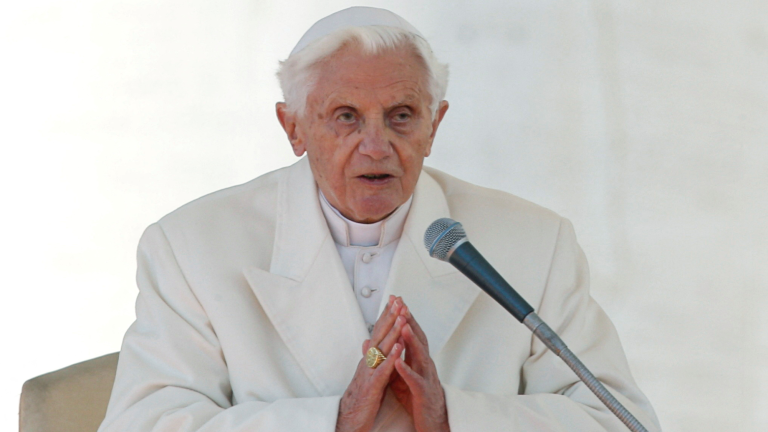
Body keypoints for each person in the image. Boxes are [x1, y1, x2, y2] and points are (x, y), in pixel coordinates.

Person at [98, 6, 660, 432]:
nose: (376, 146)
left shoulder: (535, 242)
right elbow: (145, 423)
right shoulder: (192, 246)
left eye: (401, 117)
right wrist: (333, 421)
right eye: (346, 117)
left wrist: (450, 418)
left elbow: (619, 420)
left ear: (434, 126)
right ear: (292, 127)